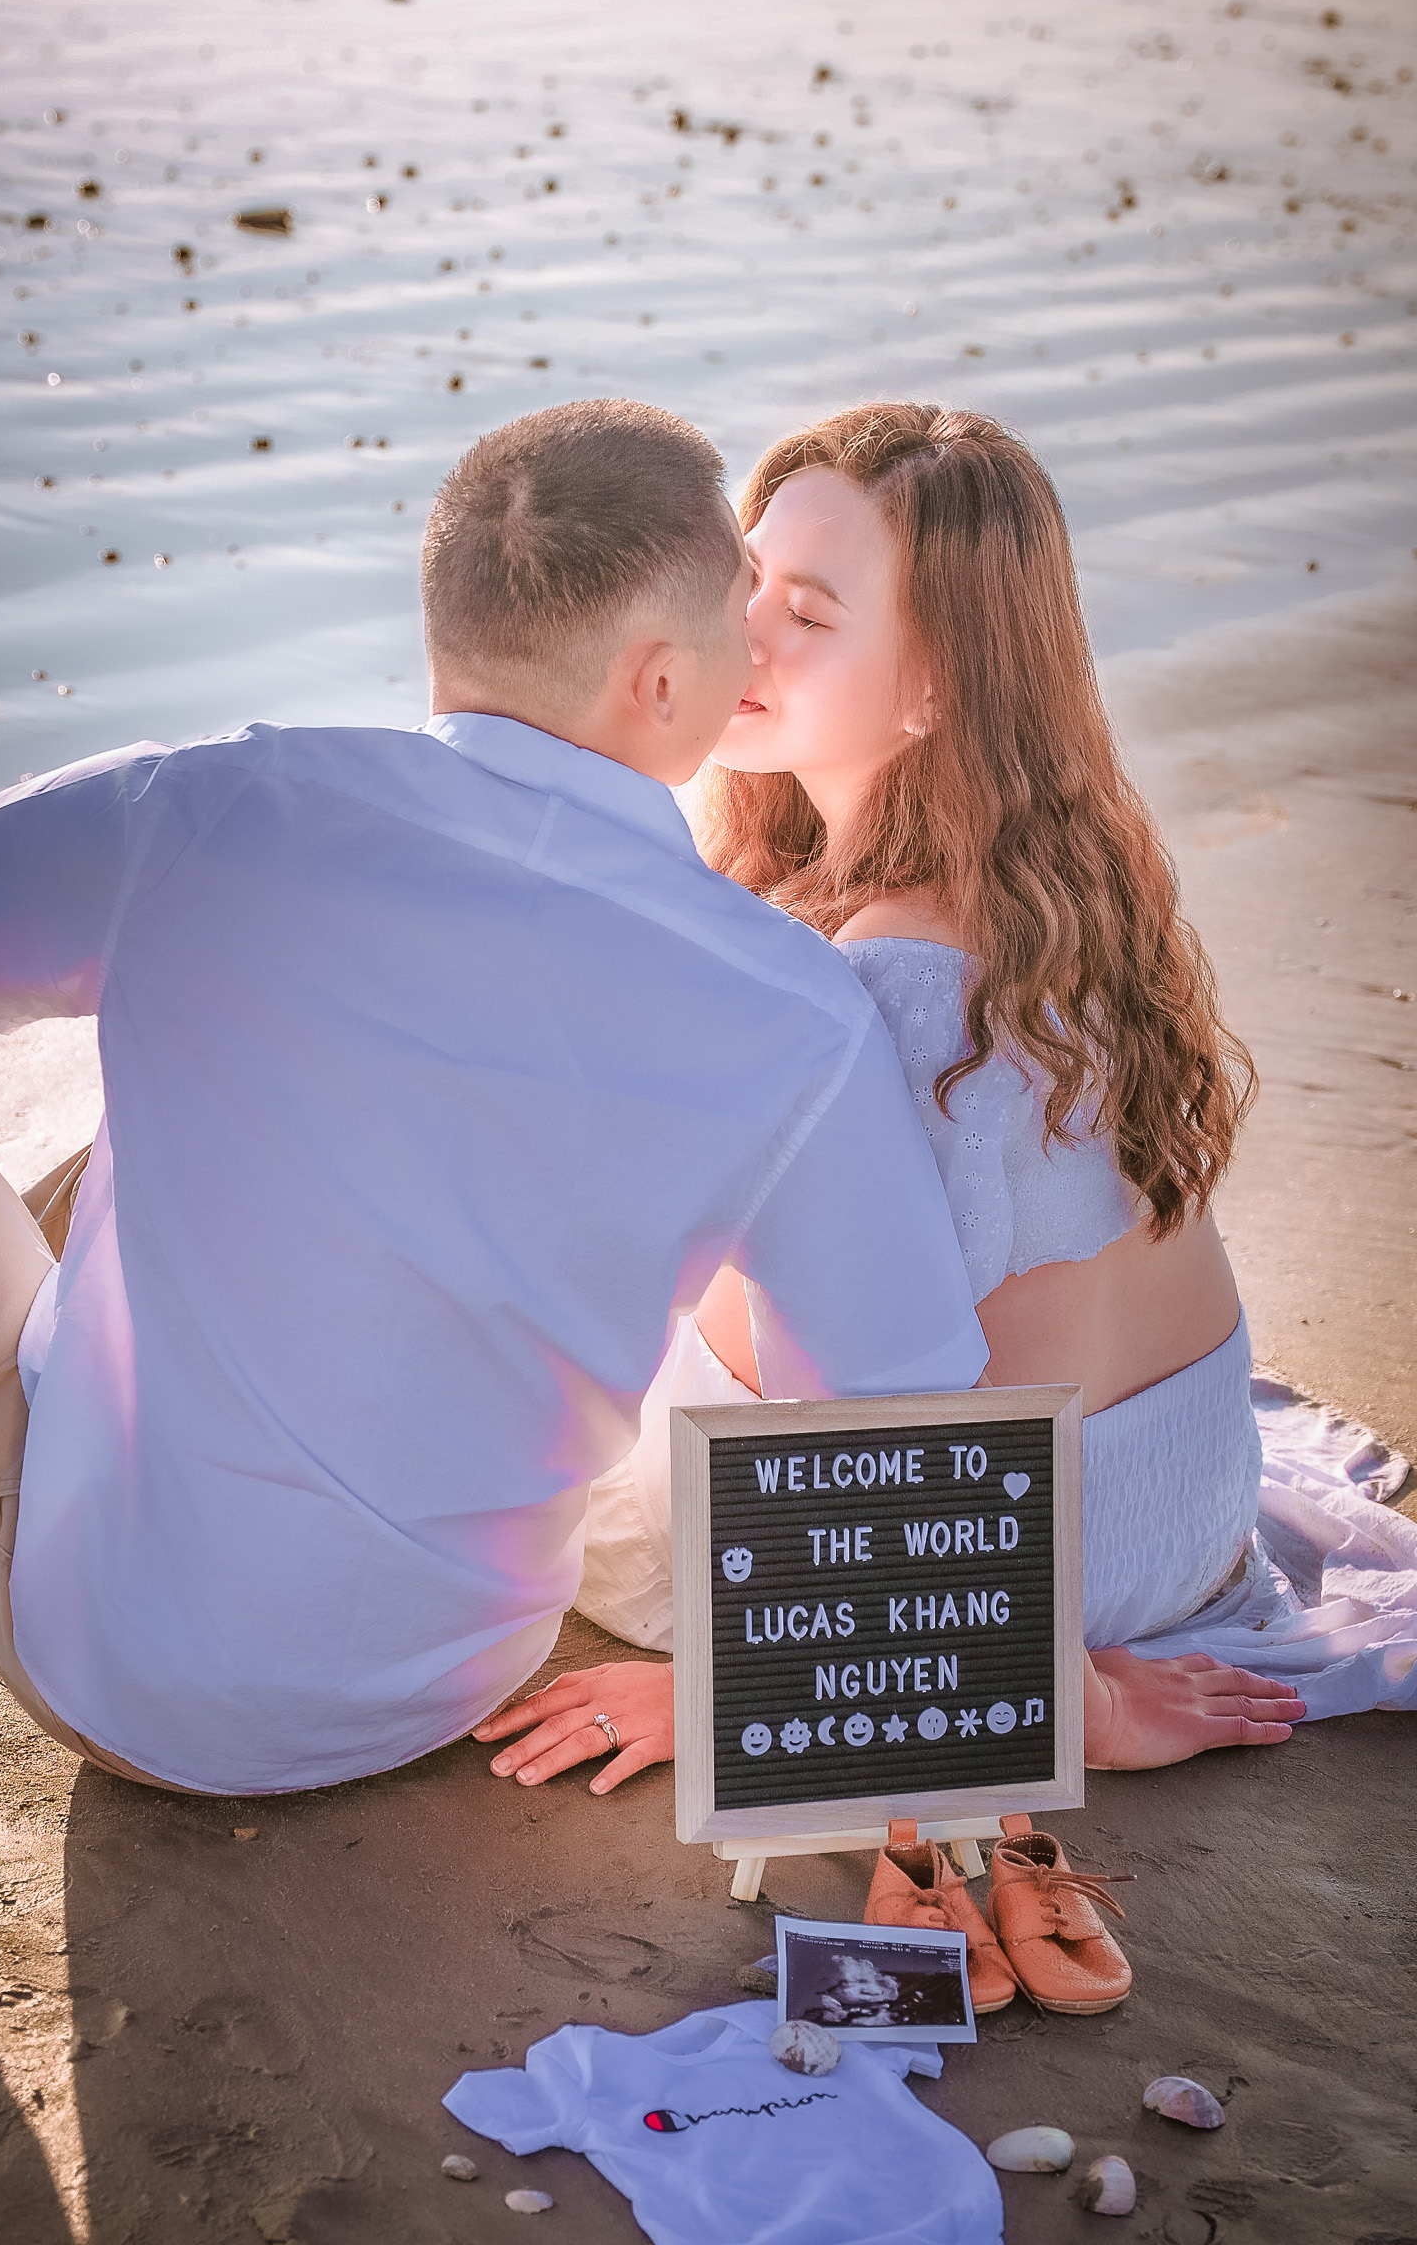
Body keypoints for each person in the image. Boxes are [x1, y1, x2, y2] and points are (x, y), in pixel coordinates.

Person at [0, 398, 987, 1799]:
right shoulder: (797, 1013)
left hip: (137, 1683)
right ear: (663, 682)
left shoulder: (212, 806)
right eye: (743, 605)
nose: (758, 644)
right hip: (462, 1672)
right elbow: (912, 1441)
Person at [550, 401, 1310, 1783]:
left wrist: (738, 1690)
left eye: (809, 615)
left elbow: (927, 1412)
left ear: (935, 688)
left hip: (1014, 1572)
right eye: (746, 585)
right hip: (1179, 1493)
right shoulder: (1037, 895)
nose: (744, 636)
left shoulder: (905, 980)